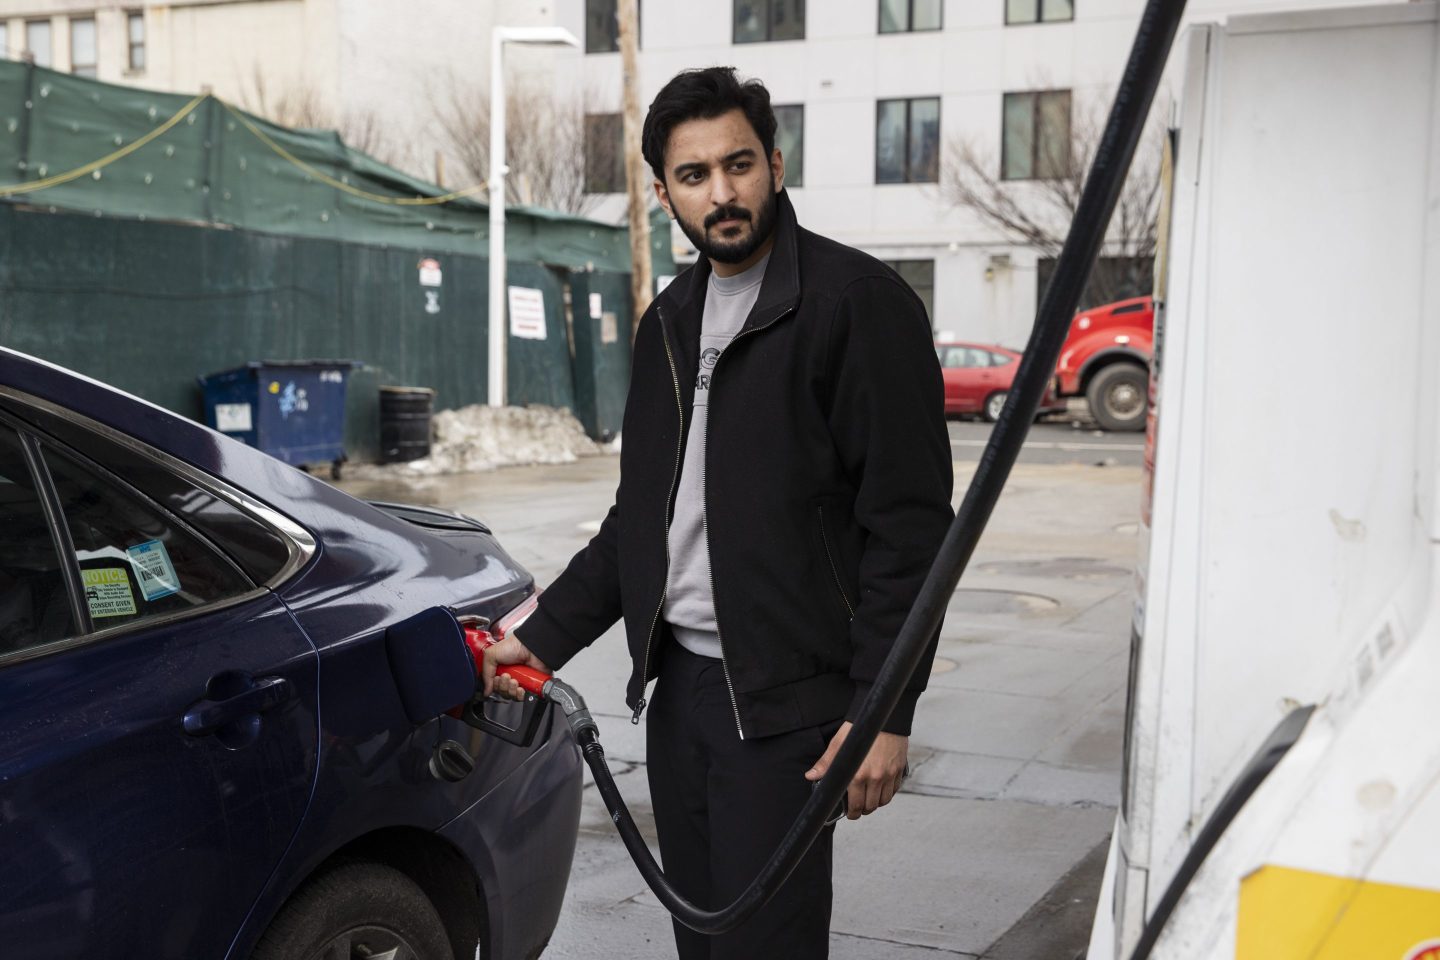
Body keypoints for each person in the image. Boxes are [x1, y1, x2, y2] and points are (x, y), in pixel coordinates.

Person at [483, 66, 953, 959]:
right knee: (700, 940)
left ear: (776, 164)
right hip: (682, 697)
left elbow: (914, 527)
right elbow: (640, 523)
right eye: (694, 175)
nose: (722, 192)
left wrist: (888, 709)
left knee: (764, 947)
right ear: (665, 194)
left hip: (785, 706)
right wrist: (539, 638)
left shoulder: (856, 306)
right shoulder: (670, 317)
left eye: (739, 164)